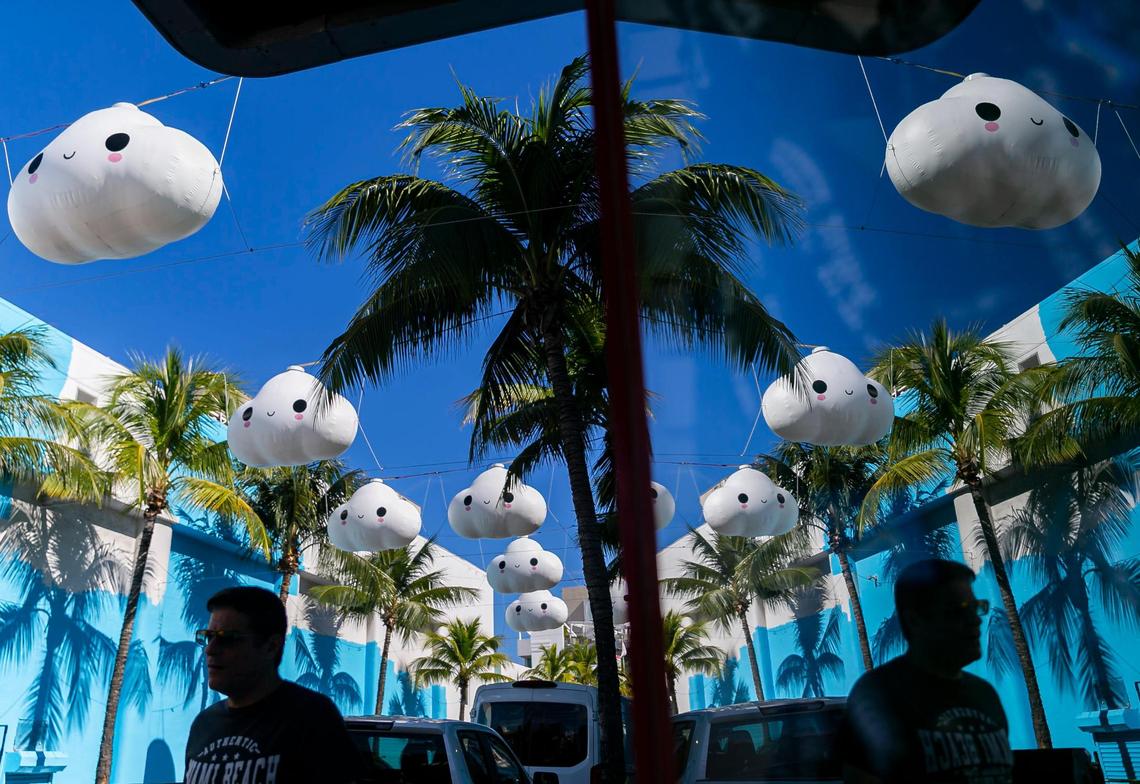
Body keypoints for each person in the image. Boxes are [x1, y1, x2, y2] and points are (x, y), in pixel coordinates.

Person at [841, 559, 1014, 784]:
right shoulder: (880, 695)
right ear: (916, 620)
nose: (974, 621)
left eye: (975, 608)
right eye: (958, 610)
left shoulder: (984, 694)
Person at [184, 586, 361, 783]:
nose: (210, 649)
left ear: (271, 646)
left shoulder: (312, 718)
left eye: (227, 639)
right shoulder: (204, 724)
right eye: (209, 636)